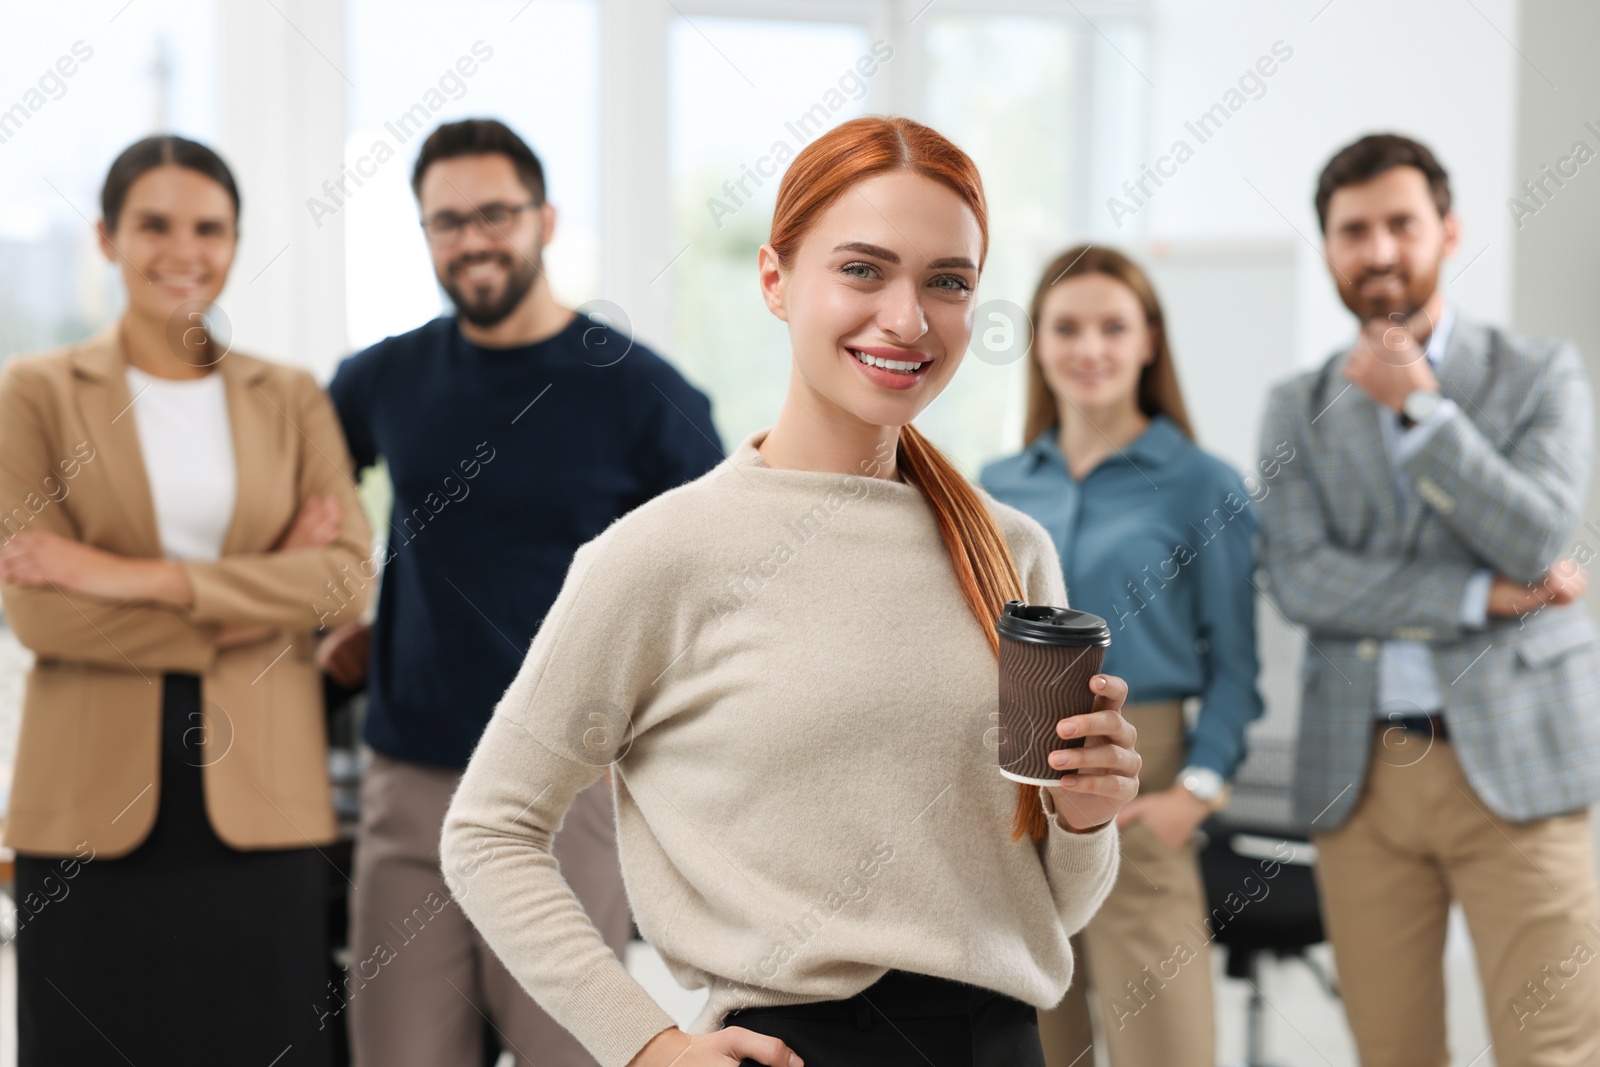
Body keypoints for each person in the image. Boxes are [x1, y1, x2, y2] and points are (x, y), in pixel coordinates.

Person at [439, 115, 1140, 1067]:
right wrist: (643, 1042)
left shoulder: (1010, 553)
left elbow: (1051, 904)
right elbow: (489, 831)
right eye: (863, 270)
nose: (907, 317)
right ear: (776, 280)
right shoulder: (660, 556)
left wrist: (1087, 817)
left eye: (948, 281)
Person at [321, 118, 723, 1067]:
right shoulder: (381, 379)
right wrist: (332, 617)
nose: (472, 239)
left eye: (495, 213)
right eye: (446, 220)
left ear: (543, 219)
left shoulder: (641, 395)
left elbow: (720, 582)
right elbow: (297, 505)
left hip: (568, 789)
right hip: (410, 785)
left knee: (569, 1055)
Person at [0, 135, 371, 1066]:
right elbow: (39, 610)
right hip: (87, 804)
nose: (185, 249)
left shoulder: (289, 398)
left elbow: (345, 579)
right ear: (106, 237)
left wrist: (126, 576)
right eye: (153, 224)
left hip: (266, 798)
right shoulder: (32, 394)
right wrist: (265, 600)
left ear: (236, 240)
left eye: (211, 227)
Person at [1258, 132, 1600, 1067]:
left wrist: (1421, 408)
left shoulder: (1538, 374)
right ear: (1326, 247)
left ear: (1447, 232)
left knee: (1554, 1050)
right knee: (1393, 1052)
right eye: (1352, 230)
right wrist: (1477, 593)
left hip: (1521, 762)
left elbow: (1537, 535)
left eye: (1400, 224)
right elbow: (1301, 578)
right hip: (1362, 774)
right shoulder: (1296, 405)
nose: (1377, 252)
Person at [981, 245, 1263, 1067]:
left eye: (1114, 325)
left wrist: (1195, 795)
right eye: (1067, 326)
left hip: (1146, 782)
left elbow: (1239, 670)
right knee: (1031, 1046)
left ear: (1149, 342)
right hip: (1015, 795)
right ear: (1038, 344)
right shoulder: (997, 484)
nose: (1090, 346)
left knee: (1165, 1050)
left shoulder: (1204, 483)